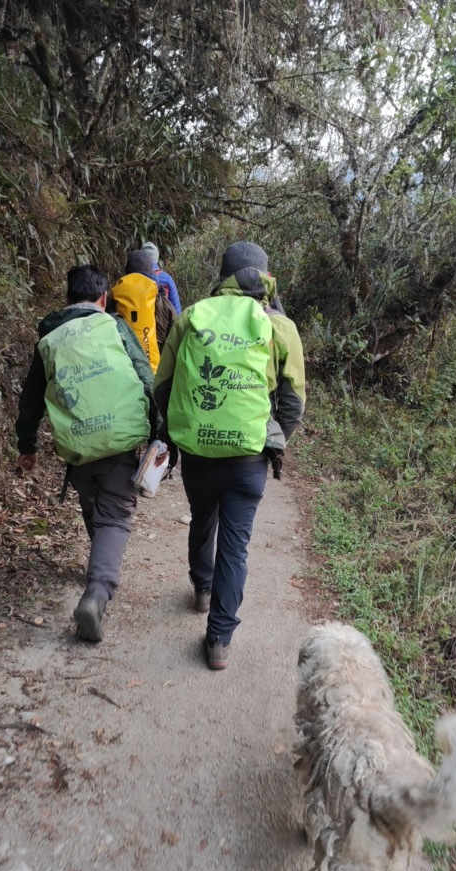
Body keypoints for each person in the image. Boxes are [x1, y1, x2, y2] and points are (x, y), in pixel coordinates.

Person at [153, 241, 306, 670]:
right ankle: (219, 640)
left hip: (199, 452)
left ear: (222, 276)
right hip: (248, 456)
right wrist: (275, 439)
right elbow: (293, 401)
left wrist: (177, 431)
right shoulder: (280, 326)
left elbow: (161, 386)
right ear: (265, 277)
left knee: (203, 518)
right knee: (235, 547)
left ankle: (202, 589)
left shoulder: (191, 316)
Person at [15, 264, 158, 643]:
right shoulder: (114, 326)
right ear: (104, 299)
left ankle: (99, 568)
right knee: (114, 517)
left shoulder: (50, 338)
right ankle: (98, 590)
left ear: (67, 299)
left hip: (77, 446)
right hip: (120, 441)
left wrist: (26, 447)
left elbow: (30, 402)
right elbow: (146, 378)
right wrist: (161, 434)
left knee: (92, 501)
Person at [142, 241, 182, 314]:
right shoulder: (167, 278)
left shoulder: (136, 277)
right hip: (163, 321)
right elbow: (176, 308)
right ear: (156, 258)